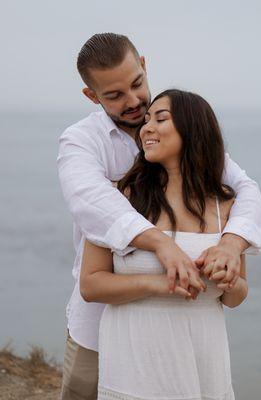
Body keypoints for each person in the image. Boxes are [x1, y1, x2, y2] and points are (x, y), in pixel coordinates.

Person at [57, 33, 261, 399]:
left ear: (144, 64)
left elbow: (245, 191)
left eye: (137, 84)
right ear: (92, 96)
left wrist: (232, 245)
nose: (135, 101)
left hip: (192, 349)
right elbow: (91, 202)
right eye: (114, 95)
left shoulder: (188, 136)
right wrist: (161, 246)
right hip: (99, 330)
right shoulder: (82, 142)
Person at [80, 89, 248, 400]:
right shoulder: (120, 198)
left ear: (193, 128)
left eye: (161, 118)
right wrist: (161, 283)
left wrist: (230, 280)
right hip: (135, 363)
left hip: (204, 361)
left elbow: (236, 297)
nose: (146, 128)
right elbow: (90, 286)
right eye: (146, 121)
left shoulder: (225, 205)